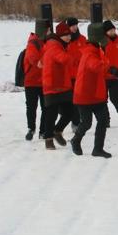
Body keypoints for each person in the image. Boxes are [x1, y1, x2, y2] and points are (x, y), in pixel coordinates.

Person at [70, 23, 112, 158]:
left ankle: (98, 149)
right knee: (87, 123)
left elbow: (100, 70)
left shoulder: (96, 49)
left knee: (103, 120)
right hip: (85, 95)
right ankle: (75, 140)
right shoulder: (89, 52)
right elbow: (96, 66)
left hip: (96, 94)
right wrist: (108, 67)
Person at [41, 21, 76, 150]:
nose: (68, 37)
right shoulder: (54, 45)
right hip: (52, 85)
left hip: (63, 84)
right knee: (51, 114)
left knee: (70, 112)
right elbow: (63, 59)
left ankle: (57, 131)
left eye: (69, 35)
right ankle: (48, 139)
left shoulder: (60, 45)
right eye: (65, 35)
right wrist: (74, 58)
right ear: (59, 36)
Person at [23, 19, 50, 140]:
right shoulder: (33, 43)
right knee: (31, 106)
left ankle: (43, 131)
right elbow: (34, 60)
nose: (50, 31)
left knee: (46, 107)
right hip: (32, 82)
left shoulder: (46, 42)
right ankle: (31, 128)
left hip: (43, 81)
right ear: (43, 30)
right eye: (48, 29)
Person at [66, 18, 86, 130]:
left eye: (76, 25)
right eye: (72, 25)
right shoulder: (64, 41)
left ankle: (76, 122)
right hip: (67, 76)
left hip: (79, 75)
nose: (74, 27)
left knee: (78, 100)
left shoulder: (82, 39)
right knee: (68, 101)